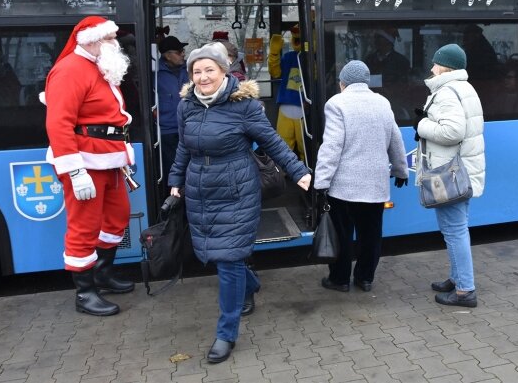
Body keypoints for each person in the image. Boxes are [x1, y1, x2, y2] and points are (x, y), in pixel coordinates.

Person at [167, 43, 311, 364]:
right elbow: (183, 148)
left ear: (224, 71)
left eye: (210, 70)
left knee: (229, 258)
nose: (203, 77)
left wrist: (298, 172)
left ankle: (226, 333)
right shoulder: (187, 105)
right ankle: (252, 283)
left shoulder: (243, 105)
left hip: (236, 189)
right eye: (197, 71)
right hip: (200, 190)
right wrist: (176, 181)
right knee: (218, 256)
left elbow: (273, 141)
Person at [41, 15, 136, 317]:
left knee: (117, 217)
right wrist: (75, 170)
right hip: (85, 162)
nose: (114, 43)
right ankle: (84, 293)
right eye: (109, 38)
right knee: (83, 226)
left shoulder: (98, 67)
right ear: (91, 40)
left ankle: (102, 274)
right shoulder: (69, 70)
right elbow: (59, 124)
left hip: (109, 160)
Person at [314, 60, 408, 293]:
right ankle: (365, 278)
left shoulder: (337, 103)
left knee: (343, 234)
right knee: (371, 234)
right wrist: (400, 169)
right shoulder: (382, 102)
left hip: (343, 187)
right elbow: (395, 139)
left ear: (342, 83)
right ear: (367, 81)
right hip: (375, 185)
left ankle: (340, 279)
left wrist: (321, 182)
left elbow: (332, 146)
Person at [415, 43, 485, 308]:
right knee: (454, 228)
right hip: (461, 172)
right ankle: (456, 279)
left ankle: (465, 290)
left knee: (455, 230)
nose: (431, 68)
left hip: (449, 175)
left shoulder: (447, 92)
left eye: (435, 63)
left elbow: (452, 132)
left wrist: (422, 124)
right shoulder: (464, 88)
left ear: (445, 66)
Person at [268, 26, 305, 160]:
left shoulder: (313, 59)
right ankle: (283, 171)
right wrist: (273, 54)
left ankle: (306, 169)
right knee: (284, 144)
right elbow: (275, 72)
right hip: (286, 106)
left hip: (304, 108)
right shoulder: (288, 57)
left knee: (304, 146)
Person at [157, 35, 189, 190]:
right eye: (179, 51)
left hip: (189, 129)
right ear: (167, 55)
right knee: (171, 171)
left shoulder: (190, 70)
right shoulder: (155, 73)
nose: (183, 54)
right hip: (167, 132)